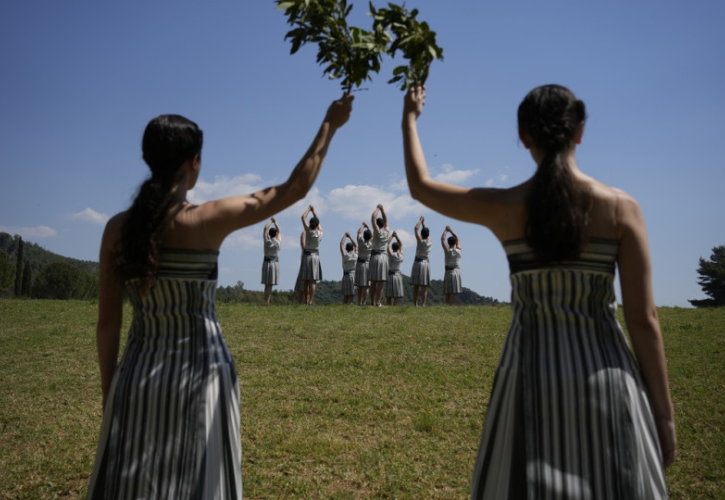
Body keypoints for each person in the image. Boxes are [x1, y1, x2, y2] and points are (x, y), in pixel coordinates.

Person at [402, 84, 675, 498]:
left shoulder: (505, 206)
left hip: (528, 379)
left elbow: (421, 186)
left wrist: (410, 116)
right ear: (579, 130)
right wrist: (665, 417)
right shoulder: (622, 208)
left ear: (524, 135)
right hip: (608, 379)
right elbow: (643, 319)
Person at [88, 94, 353, 499]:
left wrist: (112, 393)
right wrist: (329, 125)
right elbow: (294, 188)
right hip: (203, 377)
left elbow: (108, 323)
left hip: (139, 376)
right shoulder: (206, 221)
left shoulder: (116, 230)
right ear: (193, 162)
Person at [301, 205, 323, 305]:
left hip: (307, 255)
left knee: (306, 279)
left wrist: (309, 210)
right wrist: (314, 212)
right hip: (315, 256)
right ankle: (311, 300)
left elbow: (302, 217)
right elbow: (319, 223)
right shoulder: (320, 233)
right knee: (313, 280)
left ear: (310, 224)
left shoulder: (308, 231)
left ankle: (306, 299)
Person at [369, 204, 390, 306]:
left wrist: (378, 208)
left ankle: (372, 301)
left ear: (377, 225)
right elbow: (386, 220)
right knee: (381, 282)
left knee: (373, 281)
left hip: (375, 256)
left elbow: (373, 218)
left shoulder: (377, 232)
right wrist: (383, 210)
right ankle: (378, 302)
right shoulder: (387, 231)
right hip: (384, 257)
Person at [410, 216, 432, 306]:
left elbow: (416, 228)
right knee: (424, 286)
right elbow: (425, 233)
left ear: (421, 234)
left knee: (416, 285)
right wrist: (423, 224)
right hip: (426, 263)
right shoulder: (430, 241)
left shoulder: (420, 241)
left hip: (418, 262)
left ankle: (415, 303)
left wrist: (420, 221)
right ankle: (423, 304)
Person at [261, 217, 281, 305]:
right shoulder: (278, 242)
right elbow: (279, 231)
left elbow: (265, 228)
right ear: (275, 234)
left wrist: (270, 221)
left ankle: (266, 301)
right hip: (274, 263)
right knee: (270, 285)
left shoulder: (267, 242)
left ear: (269, 234)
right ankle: (266, 302)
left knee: (266, 284)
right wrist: (275, 222)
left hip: (266, 262)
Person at [441, 226, 462, 305]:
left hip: (448, 271)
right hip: (457, 271)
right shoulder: (459, 250)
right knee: (454, 293)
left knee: (448, 292)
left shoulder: (447, 251)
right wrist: (451, 231)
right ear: (455, 243)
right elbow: (458, 239)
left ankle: (447, 307)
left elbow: (442, 239)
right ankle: (451, 306)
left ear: (448, 243)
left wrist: (446, 230)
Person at [355, 222, 373, 305]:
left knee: (359, 285)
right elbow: (372, 236)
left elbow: (359, 233)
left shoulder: (361, 244)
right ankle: (364, 301)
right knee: (366, 285)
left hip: (360, 264)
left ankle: (359, 301)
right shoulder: (372, 244)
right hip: (368, 264)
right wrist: (368, 227)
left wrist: (363, 225)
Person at [385, 231, 404, 306]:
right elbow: (401, 245)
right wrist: (396, 236)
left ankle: (388, 307)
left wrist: (392, 236)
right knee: (396, 295)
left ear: (392, 248)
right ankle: (395, 307)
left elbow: (386, 244)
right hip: (398, 275)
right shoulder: (402, 255)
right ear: (399, 248)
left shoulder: (391, 255)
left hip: (391, 275)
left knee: (389, 295)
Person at [340, 232, 358, 304]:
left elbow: (341, 244)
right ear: (352, 248)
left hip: (345, 275)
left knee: (346, 294)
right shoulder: (355, 255)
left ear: (346, 248)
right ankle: (348, 306)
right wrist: (350, 237)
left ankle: (345, 306)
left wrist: (345, 236)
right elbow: (356, 246)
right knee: (351, 294)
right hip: (353, 275)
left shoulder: (345, 255)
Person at [294, 230, 306, 304]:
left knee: (301, 289)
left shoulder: (305, 249)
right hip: (309, 268)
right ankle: (307, 302)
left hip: (303, 268)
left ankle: (299, 302)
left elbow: (302, 237)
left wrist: (306, 229)